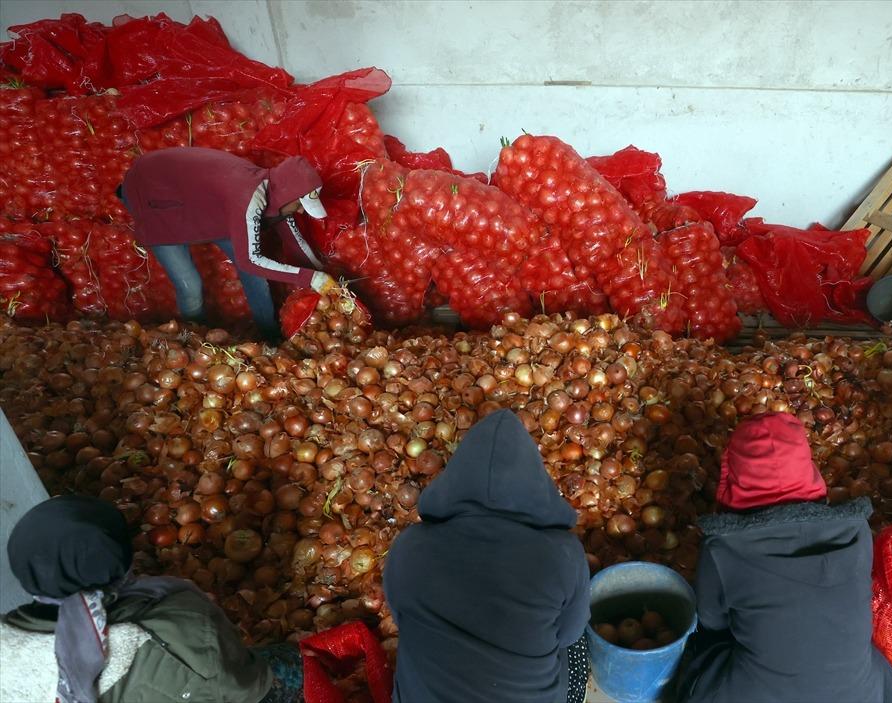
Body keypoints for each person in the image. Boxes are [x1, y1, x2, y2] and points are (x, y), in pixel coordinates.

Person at [677, 412, 892, 703]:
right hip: (858, 694)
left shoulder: (723, 549)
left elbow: (711, 621)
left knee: (703, 658)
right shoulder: (857, 531)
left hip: (759, 693)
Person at [0, 495, 300, 703]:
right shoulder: (181, 620)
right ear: (123, 559)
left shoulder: (5, 641)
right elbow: (248, 689)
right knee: (294, 665)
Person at [382, 409, 591, 703]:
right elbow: (569, 634)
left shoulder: (409, 546)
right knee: (578, 643)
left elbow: (402, 618)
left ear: (453, 480)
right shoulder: (564, 555)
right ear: (538, 485)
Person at [120, 146, 336, 338]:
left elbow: (295, 244)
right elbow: (250, 260)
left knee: (255, 275)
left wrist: (325, 278)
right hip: (151, 190)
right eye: (300, 205)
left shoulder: (278, 195)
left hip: (199, 202)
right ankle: (196, 342)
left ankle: (269, 337)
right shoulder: (247, 196)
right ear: (290, 195)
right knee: (190, 285)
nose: (300, 211)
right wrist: (311, 278)